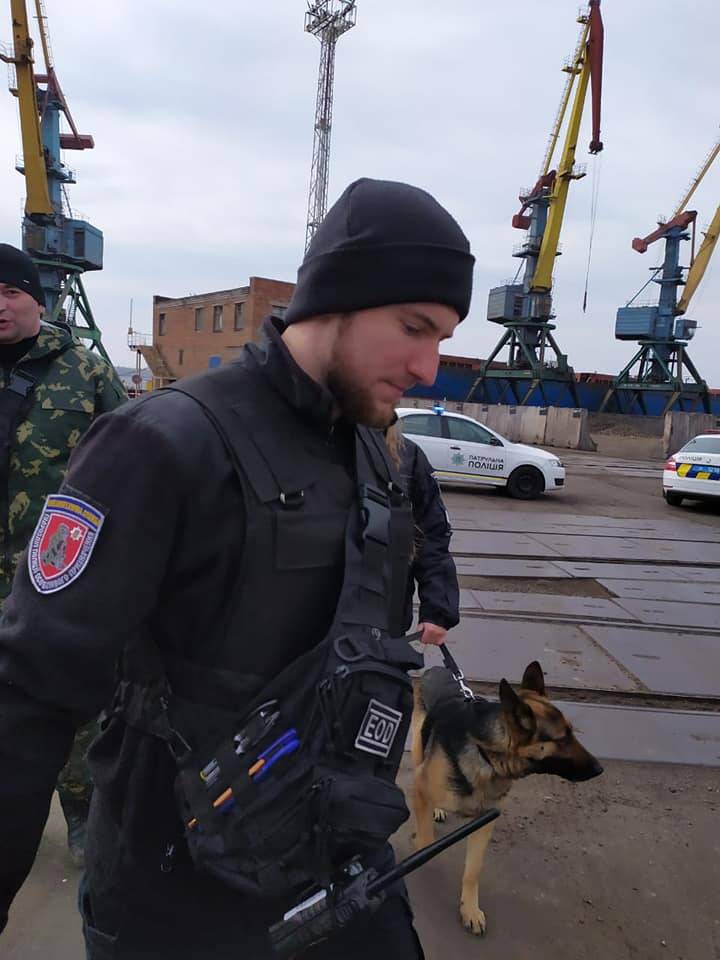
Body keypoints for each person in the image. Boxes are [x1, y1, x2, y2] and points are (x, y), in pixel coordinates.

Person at [0, 178, 474, 958]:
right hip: (176, 890)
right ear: (337, 298)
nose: (429, 367)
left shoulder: (375, 452)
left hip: (337, 854)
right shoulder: (162, 443)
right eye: (414, 328)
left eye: (443, 337)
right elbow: (29, 697)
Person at [0, 243, 127, 868]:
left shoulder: (83, 369)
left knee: (73, 708)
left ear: (37, 299)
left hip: (55, 577)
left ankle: (84, 818)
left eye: (10, 291)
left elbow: (134, 464)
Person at [385, 423, 459, 645]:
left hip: (384, 622)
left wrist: (437, 612)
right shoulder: (289, 443)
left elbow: (433, 537)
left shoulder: (407, 455)